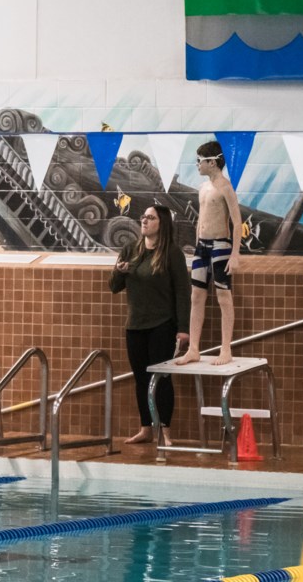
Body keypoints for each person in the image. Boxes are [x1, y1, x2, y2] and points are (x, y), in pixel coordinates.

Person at [109, 205, 191, 446]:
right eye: (143, 217)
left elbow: (182, 293)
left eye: (150, 218)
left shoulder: (172, 254)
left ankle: (164, 429)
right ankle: (146, 427)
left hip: (162, 325)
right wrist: (119, 271)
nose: (144, 221)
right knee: (141, 379)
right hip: (135, 325)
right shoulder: (130, 250)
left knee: (161, 378)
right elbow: (113, 286)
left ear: (161, 223)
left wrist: (183, 328)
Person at [176, 141, 242, 366]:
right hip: (202, 247)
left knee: (223, 296)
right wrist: (196, 247)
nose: (197, 165)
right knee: (196, 295)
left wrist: (235, 254)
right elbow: (200, 221)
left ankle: (226, 349)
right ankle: (194, 348)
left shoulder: (225, 187)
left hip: (221, 246)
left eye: (199, 161)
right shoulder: (203, 188)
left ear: (212, 162)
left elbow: (237, 221)